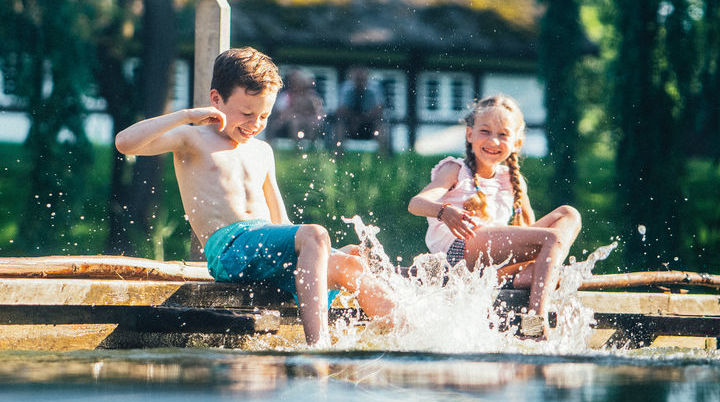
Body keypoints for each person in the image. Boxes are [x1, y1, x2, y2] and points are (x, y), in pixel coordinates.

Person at [115, 47, 393, 346]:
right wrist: (186, 115)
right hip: (229, 249)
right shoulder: (192, 138)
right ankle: (318, 346)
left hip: (266, 248)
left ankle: (409, 336)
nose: (255, 123)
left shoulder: (262, 151)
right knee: (316, 234)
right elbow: (125, 143)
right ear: (216, 100)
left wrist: (329, 251)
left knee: (352, 265)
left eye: (263, 115)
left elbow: (282, 222)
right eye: (246, 113)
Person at [407, 95, 581, 337]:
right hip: (458, 254)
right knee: (552, 239)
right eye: (485, 131)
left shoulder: (512, 180)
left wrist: (542, 262)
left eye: (503, 134)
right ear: (469, 134)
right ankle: (534, 326)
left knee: (568, 214)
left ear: (517, 142)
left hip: (492, 263)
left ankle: (526, 276)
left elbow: (529, 234)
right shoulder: (455, 170)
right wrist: (444, 212)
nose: (493, 141)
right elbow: (416, 203)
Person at [334, 67, 389, 153]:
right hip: (350, 126)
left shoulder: (375, 89)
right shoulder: (346, 88)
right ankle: (338, 156)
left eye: (362, 79)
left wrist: (361, 119)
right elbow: (340, 110)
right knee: (339, 126)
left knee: (381, 127)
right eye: (357, 79)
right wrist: (354, 119)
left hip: (369, 125)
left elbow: (379, 109)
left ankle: (383, 157)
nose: (360, 82)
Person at [266, 69, 324, 144]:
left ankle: (311, 145)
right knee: (295, 122)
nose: (298, 85)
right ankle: (297, 145)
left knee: (313, 123)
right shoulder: (286, 96)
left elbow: (319, 112)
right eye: (295, 82)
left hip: (308, 119)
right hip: (289, 122)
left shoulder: (312, 96)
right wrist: (295, 111)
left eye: (300, 83)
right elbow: (281, 114)